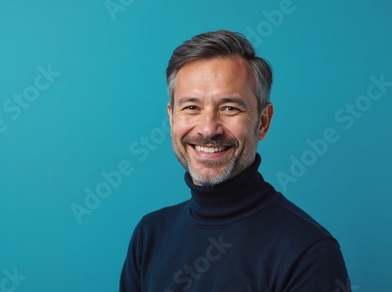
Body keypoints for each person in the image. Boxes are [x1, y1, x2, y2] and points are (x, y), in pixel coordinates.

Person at [119, 30, 350, 291]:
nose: (208, 129)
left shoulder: (308, 251)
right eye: (191, 107)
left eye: (230, 108)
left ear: (263, 122)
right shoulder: (150, 235)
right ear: (172, 118)